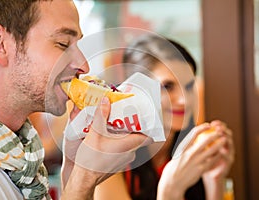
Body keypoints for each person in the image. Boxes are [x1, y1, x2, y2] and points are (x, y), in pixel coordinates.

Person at [0, 1, 151, 199]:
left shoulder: (23, 158)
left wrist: (72, 174)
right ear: (0, 44)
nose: (84, 66)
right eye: (63, 44)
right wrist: (82, 181)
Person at [94, 35, 234, 200]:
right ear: (135, 93)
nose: (184, 100)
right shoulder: (109, 162)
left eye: (189, 86)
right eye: (167, 87)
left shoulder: (193, 150)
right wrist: (170, 192)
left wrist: (214, 180)